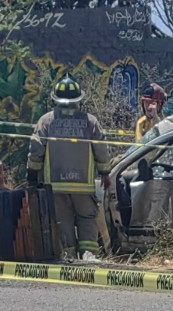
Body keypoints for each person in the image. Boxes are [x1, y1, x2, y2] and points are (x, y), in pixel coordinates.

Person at [27, 74, 112, 261]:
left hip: (56, 186)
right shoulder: (90, 122)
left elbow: (35, 151)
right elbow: (102, 150)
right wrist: (105, 173)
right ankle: (89, 255)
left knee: (62, 221)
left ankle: (69, 256)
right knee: (87, 219)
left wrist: (32, 176)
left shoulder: (46, 121)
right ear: (78, 100)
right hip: (83, 186)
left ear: (55, 99)